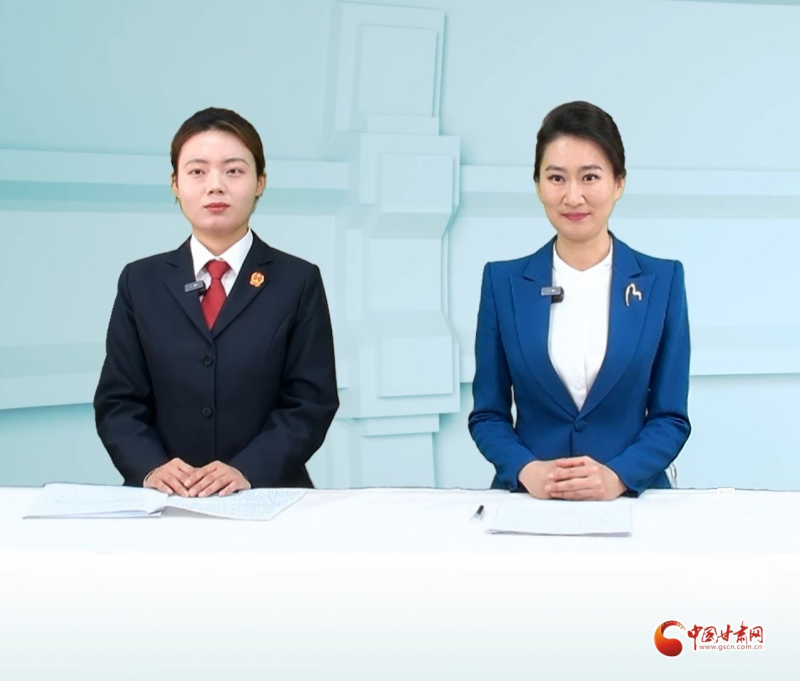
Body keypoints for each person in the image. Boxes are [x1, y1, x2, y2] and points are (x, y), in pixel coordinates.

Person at [94, 107, 339, 497]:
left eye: (234, 170)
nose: (215, 186)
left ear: (260, 182)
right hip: (165, 497)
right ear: (175, 184)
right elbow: (118, 401)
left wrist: (248, 470)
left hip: (268, 493)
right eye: (197, 171)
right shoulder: (140, 281)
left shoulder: (298, 280)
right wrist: (151, 467)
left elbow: (311, 402)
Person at [468, 101, 690, 500]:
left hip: (631, 499)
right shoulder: (502, 283)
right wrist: (528, 470)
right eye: (556, 178)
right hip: (531, 500)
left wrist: (617, 476)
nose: (573, 196)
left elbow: (671, 417)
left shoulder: (663, 281)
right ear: (538, 185)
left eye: (590, 177)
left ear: (618, 183)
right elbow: (488, 414)